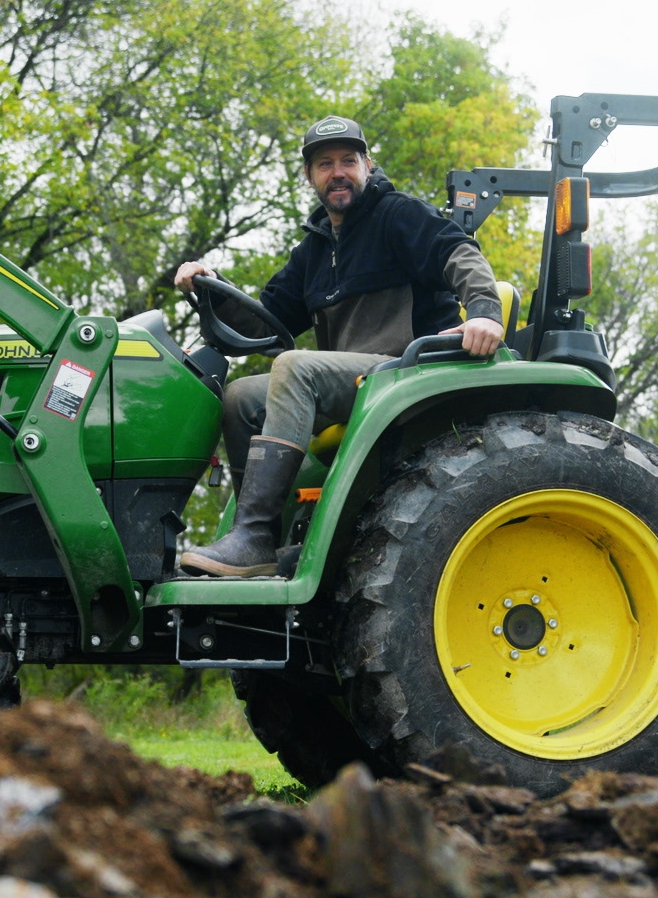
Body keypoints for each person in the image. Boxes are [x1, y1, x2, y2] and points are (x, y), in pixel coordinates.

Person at [173, 115, 505, 577]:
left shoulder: (399, 214)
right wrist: (210, 287)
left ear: (368, 165)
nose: (338, 172)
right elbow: (264, 322)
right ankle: (264, 540)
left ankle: (252, 532)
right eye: (325, 164)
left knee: (295, 367)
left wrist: (486, 311)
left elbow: (460, 254)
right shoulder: (313, 250)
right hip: (353, 383)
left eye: (349, 160)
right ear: (310, 176)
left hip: (410, 372)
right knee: (240, 396)